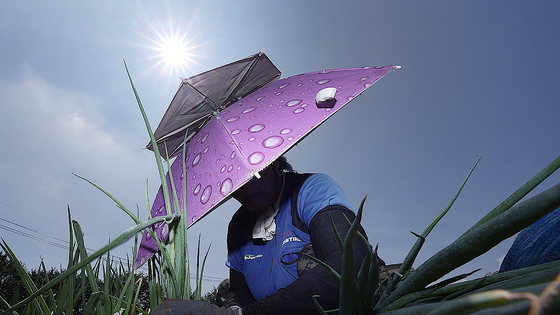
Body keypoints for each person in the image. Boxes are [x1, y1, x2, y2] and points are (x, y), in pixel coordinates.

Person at [152, 157, 381, 315]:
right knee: (226, 287)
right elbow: (240, 291)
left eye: (249, 176)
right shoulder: (239, 225)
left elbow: (349, 263)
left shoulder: (310, 188)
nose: (242, 193)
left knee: (311, 258)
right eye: (233, 184)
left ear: (273, 161)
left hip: (335, 307)